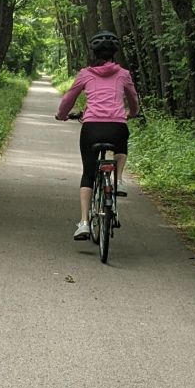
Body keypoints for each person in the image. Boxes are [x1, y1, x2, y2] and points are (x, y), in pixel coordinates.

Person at [55, 31, 140, 240]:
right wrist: (132, 113)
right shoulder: (123, 74)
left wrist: (62, 115)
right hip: (117, 127)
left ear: (93, 53)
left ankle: (84, 223)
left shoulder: (85, 74)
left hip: (92, 128)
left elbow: (69, 98)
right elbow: (133, 99)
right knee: (122, 144)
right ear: (114, 53)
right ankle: (118, 179)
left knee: (88, 174)